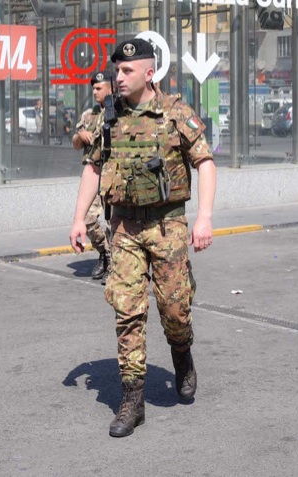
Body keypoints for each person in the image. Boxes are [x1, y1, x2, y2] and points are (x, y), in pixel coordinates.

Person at [69, 37, 216, 438]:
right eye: (116, 70)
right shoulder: (108, 118)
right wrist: (79, 218)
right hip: (125, 229)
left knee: (174, 309)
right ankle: (132, 399)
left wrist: (203, 218)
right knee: (127, 310)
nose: (118, 76)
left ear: (149, 73)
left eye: (127, 70)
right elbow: (93, 169)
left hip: (168, 227)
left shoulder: (173, 112)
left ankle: (182, 354)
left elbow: (204, 161)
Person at [71, 68, 115, 281]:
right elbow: (75, 144)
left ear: (110, 87)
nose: (95, 92)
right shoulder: (89, 115)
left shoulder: (119, 114)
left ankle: (113, 265)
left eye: (99, 88)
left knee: (113, 222)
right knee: (87, 218)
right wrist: (81, 135)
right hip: (93, 175)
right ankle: (105, 253)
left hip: (114, 175)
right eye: (94, 89)